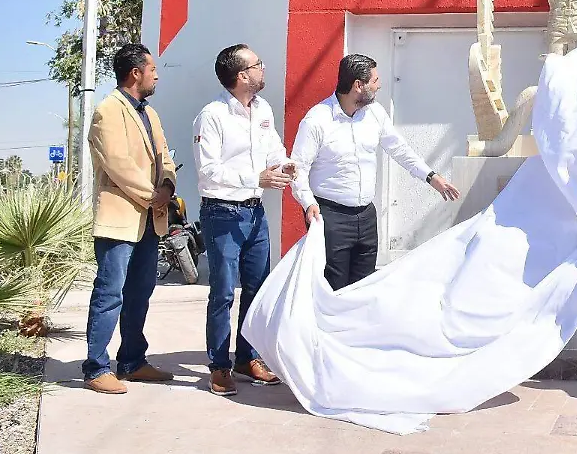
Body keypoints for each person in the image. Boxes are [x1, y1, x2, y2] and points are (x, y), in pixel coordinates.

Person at [291, 54, 460, 291]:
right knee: (332, 288)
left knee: (363, 286)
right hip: (330, 217)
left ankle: (355, 329)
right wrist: (308, 203)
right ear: (358, 85)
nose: (379, 85)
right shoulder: (317, 120)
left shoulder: (375, 114)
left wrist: (432, 177)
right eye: (375, 80)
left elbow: (400, 150)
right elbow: (298, 169)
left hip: (366, 217)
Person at [192, 44, 293, 397]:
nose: (263, 68)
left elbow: (273, 150)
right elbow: (207, 173)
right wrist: (257, 179)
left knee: (257, 288)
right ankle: (219, 367)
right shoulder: (212, 115)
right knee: (222, 293)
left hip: (255, 213)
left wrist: (285, 165)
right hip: (222, 213)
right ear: (241, 76)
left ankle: (246, 358)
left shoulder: (263, 109)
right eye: (257, 64)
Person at [82, 44, 178, 394]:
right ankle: (96, 368)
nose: (156, 74)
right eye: (152, 68)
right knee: (110, 293)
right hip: (120, 219)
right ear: (135, 72)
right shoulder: (108, 110)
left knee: (140, 293)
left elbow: (164, 154)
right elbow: (118, 163)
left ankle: (132, 362)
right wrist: (152, 196)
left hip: (151, 219)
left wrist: (167, 183)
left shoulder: (149, 113)